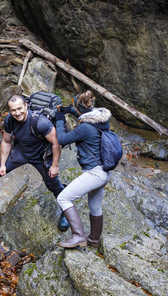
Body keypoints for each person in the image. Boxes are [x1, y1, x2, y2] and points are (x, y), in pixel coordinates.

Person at [0, 94, 70, 231]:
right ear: (10, 111)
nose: (17, 113)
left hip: (41, 155)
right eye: (13, 110)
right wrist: (3, 164)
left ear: (26, 106)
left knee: (52, 184)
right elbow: (6, 141)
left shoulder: (40, 122)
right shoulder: (9, 120)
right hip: (21, 152)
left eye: (20, 109)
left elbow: (56, 143)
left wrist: (54, 165)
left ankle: (67, 211)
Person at [54, 90, 112, 248]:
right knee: (94, 206)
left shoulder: (85, 128)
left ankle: (78, 236)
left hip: (94, 173)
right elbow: (84, 114)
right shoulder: (100, 120)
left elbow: (62, 139)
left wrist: (59, 119)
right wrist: (70, 111)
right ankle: (93, 240)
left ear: (79, 108)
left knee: (64, 198)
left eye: (74, 107)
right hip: (104, 172)